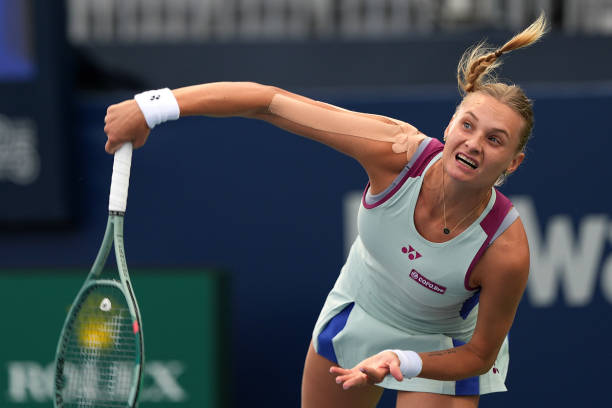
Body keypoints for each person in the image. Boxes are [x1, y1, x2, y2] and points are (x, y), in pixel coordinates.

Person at [104, 14, 547, 408]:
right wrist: (151, 106)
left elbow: (480, 355)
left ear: (513, 163)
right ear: (450, 125)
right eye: (467, 125)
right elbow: (267, 102)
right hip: (361, 310)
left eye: (495, 140)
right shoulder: (394, 152)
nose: (473, 143)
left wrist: (405, 360)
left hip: (444, 346)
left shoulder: (505, 249)